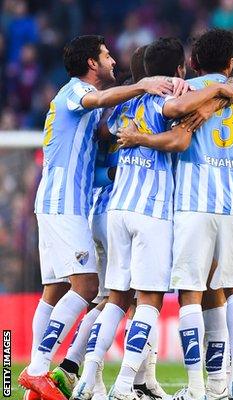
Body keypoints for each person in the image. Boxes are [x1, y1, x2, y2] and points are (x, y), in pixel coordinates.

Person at [79, 37, 233, 400]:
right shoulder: (166, 100)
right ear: (179, 71)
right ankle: (125, 384)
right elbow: (180, 136)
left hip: (115, 209)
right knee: (150, 300)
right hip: (152, 211)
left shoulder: (121, 105)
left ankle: (86, 380)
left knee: (116, 298)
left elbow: (105, 131)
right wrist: (221, 90)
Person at [18, 34, 177, 400]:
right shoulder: (74, 92)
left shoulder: (85, 108)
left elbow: (105, 129)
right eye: (105, 56)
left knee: (56, 290)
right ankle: (39, 369)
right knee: (88, 287)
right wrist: (144, 85)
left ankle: (38, 381)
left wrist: (133, 131)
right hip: (65, 204)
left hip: (64, 203)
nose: (110, 61)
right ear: (92, 63)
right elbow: (101, 99)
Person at [169, 28, 233, 400]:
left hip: (193, 204)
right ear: (231, 63)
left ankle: (196, 389)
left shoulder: (187, 94)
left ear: (193, 62)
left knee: (191, 292)